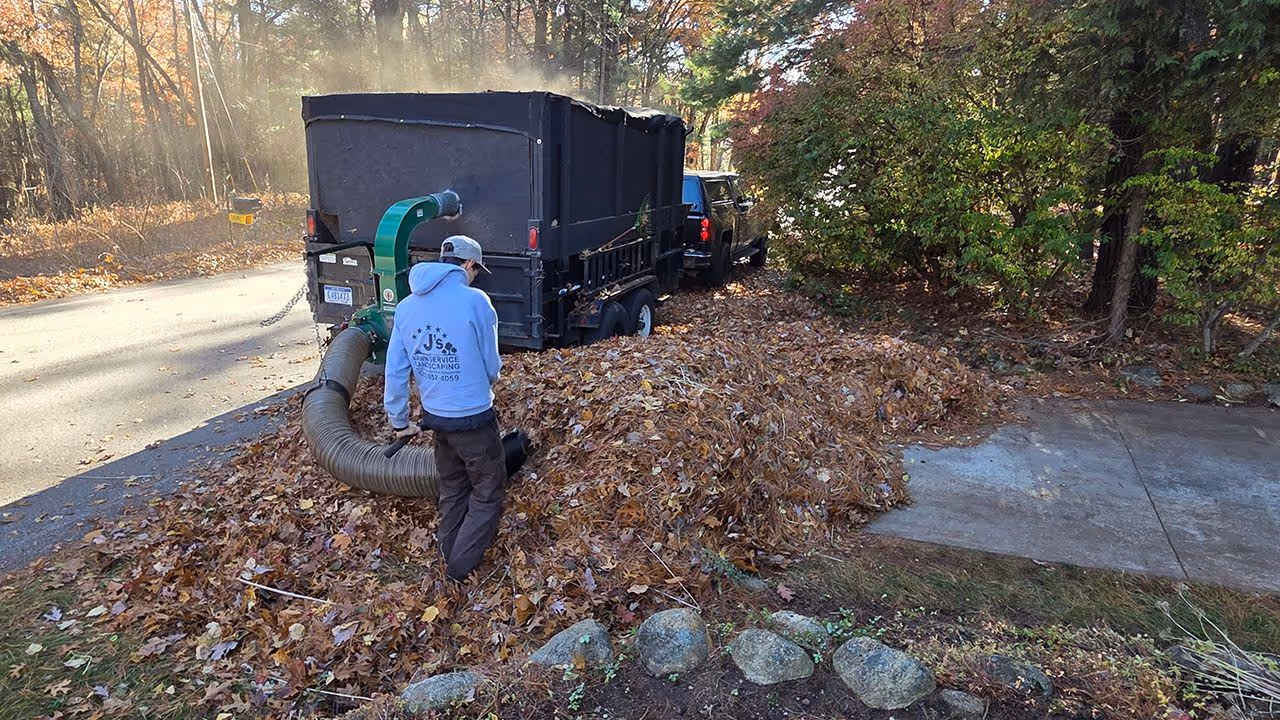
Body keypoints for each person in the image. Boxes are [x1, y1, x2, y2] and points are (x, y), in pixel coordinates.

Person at [384, 235, 506, 582]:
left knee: (453, 488)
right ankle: (457, 569)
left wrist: (399, 420)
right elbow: (491, 364)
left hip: (436, 418)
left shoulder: (407, 306)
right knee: (488, 489)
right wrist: (479, 383)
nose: (476, 277)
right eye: (476, 270)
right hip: (475, 421)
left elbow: (395, 370)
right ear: (468, 264)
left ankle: (446, 553)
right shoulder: (475, 301)